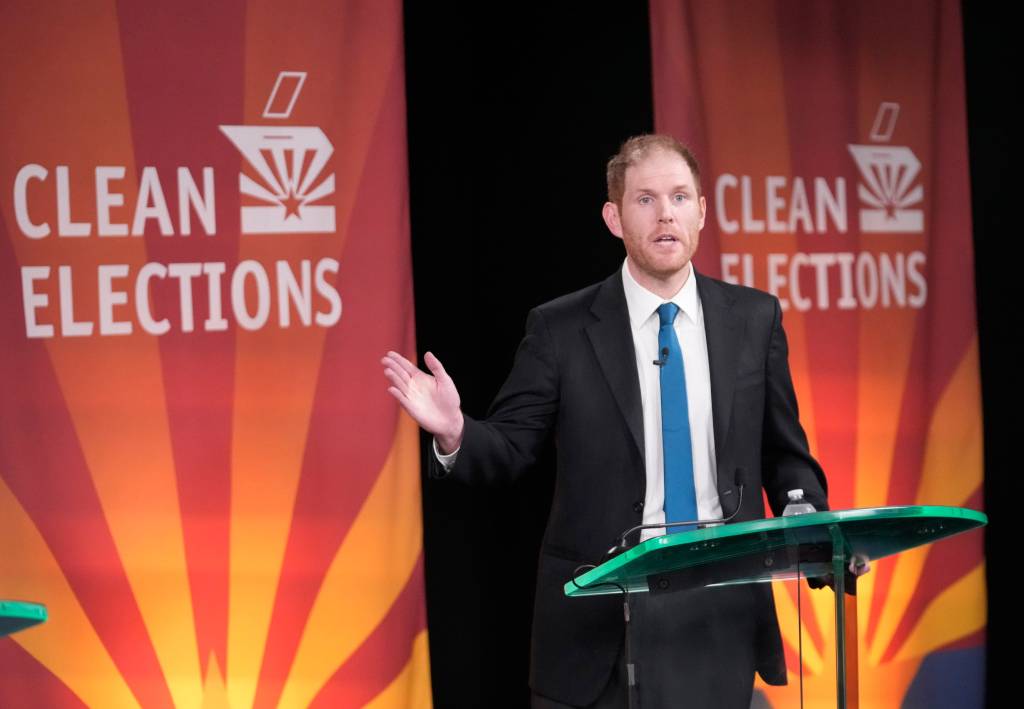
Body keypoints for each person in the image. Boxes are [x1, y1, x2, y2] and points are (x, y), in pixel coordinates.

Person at [383, 135, 858, 708]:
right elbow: (510, 447)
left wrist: (803, 510)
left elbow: (784, 451)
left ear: (702, 212)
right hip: (600, 622)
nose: (665, 214)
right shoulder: (560, 328)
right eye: (646, 200)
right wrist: (456, 433)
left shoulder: (753, 319)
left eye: (681, 198)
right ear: (614, 217)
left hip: (719, 613)